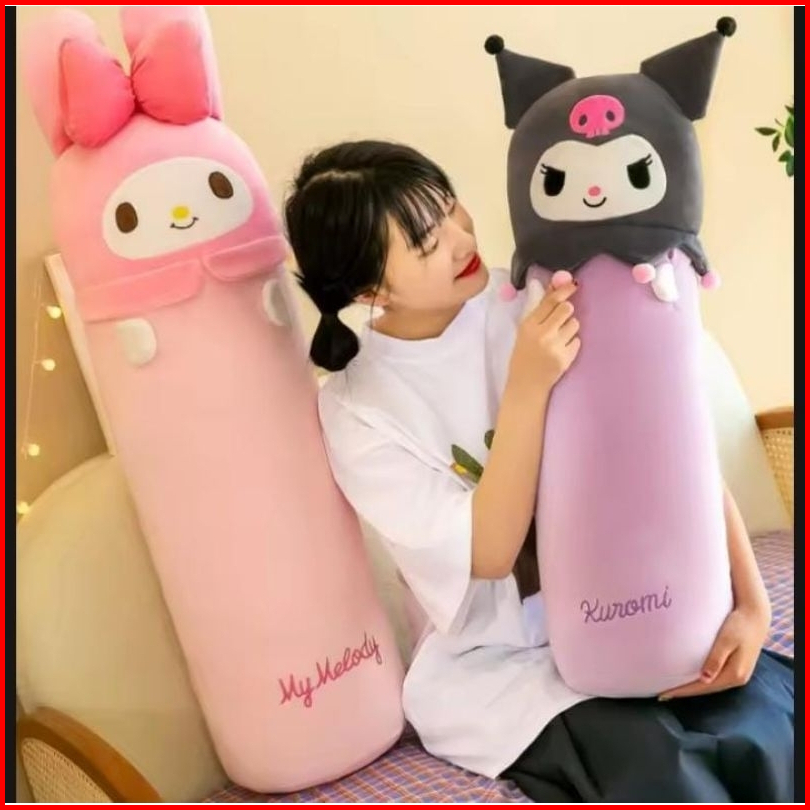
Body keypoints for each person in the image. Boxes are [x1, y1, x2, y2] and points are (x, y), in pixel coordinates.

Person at [284, 139, 794, 802]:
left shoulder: (542, 298)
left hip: (645, 603)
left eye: (449, 207)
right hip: (505, 665)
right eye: (427, 241)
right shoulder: (357, 409)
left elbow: (670, 449)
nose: (461, 239)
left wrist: (751, 606)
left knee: (772, 730)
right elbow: (490, 552)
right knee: (667, 771)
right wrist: (528, 385)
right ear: (369, 290)